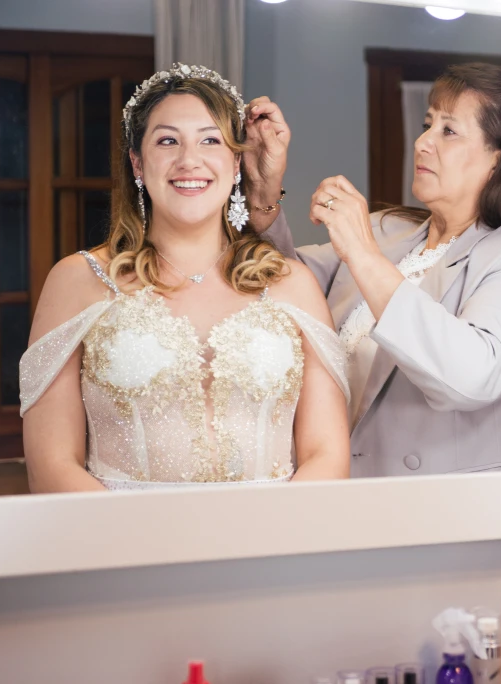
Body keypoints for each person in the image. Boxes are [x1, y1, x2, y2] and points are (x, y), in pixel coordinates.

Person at [20, 64, 350, 492]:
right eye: (168, 140)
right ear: (138, 163)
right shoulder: (79, 280)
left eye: (210, 140)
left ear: (236, 163)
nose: (188, 160)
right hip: (125, 542)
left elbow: (326, 454)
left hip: (272, 540)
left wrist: (267, 541)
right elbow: (51, 465)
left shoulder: (292, 283)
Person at [242, 63, 501, 477]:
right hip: (331, 490)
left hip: (435, 514)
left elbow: (473, 376)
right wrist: (263, 192)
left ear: (498, 159)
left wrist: (362, 254)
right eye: (427, 124)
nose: (423, 142)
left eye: (448, 131)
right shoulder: (386, 230)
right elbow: (274, 285)